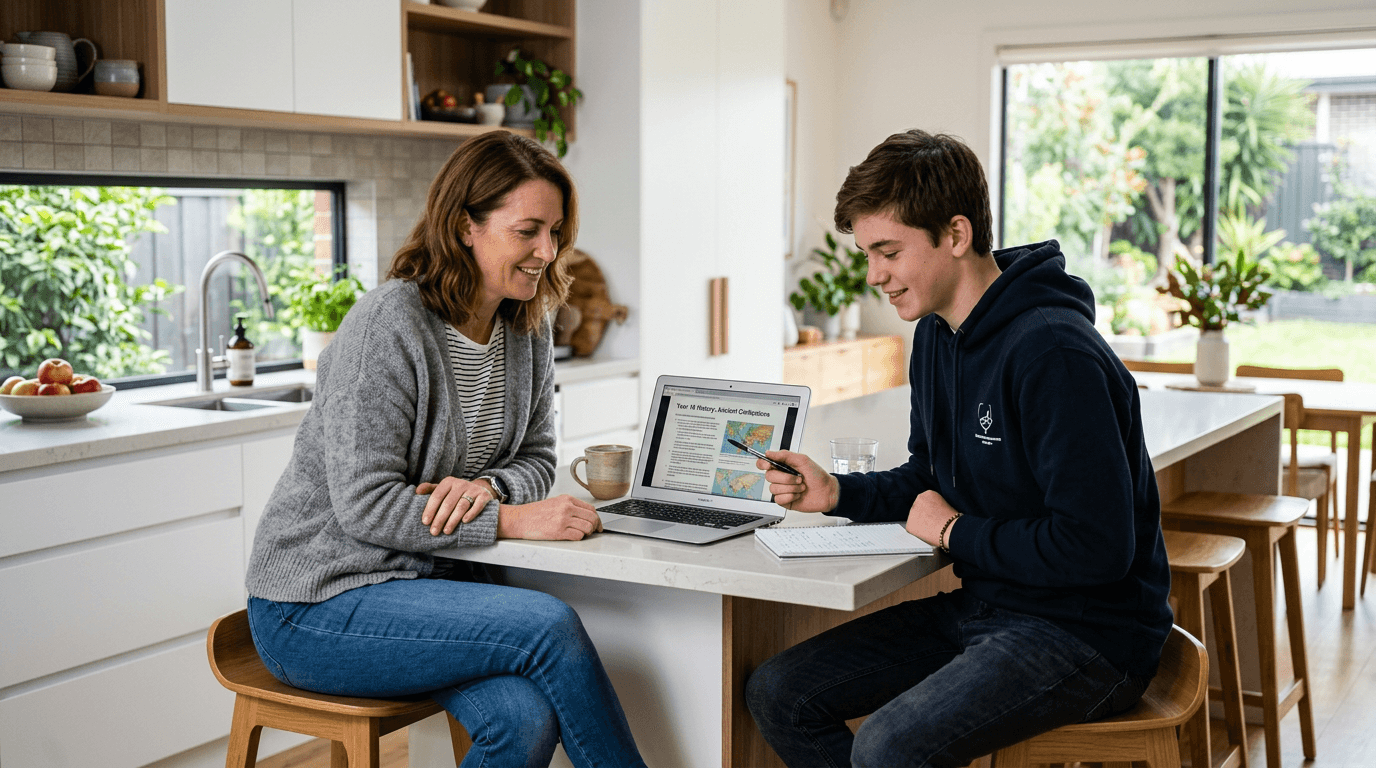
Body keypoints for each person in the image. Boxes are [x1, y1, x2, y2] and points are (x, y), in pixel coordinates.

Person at [745, 129, 1173, 767]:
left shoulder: (1055, 353)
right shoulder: (937, 338)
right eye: (867, 254)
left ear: (956, 234)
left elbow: (1097, 549)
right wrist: (838, 491)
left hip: (1085, 635)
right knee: (780, 693)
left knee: (888, 749)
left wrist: (955, 534)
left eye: (888, 251)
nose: (874, 277)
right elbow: (928, 476)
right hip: (987, 607)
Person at [245, 131, 647, 768]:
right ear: (466, 227)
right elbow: (365, 508)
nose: (548, 251)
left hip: (428, 589)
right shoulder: (391, 323)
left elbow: (540, 458)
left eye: (555, 232)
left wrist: (491, 488)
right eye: (528, 231)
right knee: (547, 626)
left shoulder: (528, 325)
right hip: (318, 602)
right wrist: (509, 519)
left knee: (522, 718)